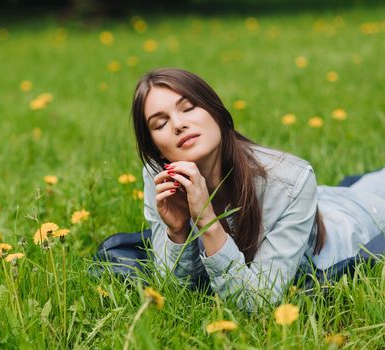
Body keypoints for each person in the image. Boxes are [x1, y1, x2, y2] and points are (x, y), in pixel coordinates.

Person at [128, 68, 385, 311]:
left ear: (215, 110)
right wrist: (177, 231)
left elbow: (258, 302)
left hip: (357, 218)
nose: (177, 124)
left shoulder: (291, 180)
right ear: (156, 148)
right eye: (160, 124)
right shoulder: (160, 181)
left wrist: (208, 221)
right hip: (317, 201)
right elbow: (177, 291)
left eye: (188, 107)